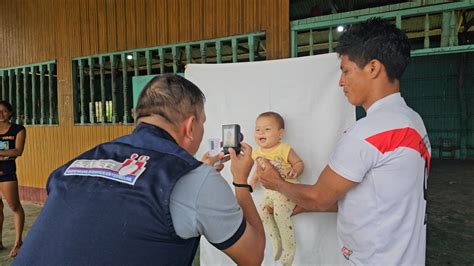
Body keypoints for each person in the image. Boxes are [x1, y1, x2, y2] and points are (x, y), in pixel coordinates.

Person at [13, 74, 265, 265]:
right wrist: (240, 181)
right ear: (190, 126)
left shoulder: (76, 164)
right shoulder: (195, 180)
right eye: (202, 124)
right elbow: (252, 256)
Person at [257, 17, 431, 265]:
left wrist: (277, 183)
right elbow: (376, 197)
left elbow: (320, 196)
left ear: (373, 68)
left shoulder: (368, 133)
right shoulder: (412, 122)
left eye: (346, 71)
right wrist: (307, 203)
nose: (341, 81)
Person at [250, 111, 304, 266]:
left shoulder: (283, 149)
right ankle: (276, 243)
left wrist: (295, 170)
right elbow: (257, 169)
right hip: (270, 190)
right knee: (263, 213)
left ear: (280, 133)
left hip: (286, 188)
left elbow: (299, 163)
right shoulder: (257, 152)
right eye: (258, 129)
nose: (261, 132)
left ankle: (289, 250)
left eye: (267, 129)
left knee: (280, 215)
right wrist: (253, 180)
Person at [0, 101, 26, 258]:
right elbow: (10, 151)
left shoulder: (18, 129)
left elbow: (17, 151)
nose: (0, 114)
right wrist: (4, 153)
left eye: (4, 111)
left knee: (14, 206)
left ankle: (18, 242)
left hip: (7, 171)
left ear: (10, 113)